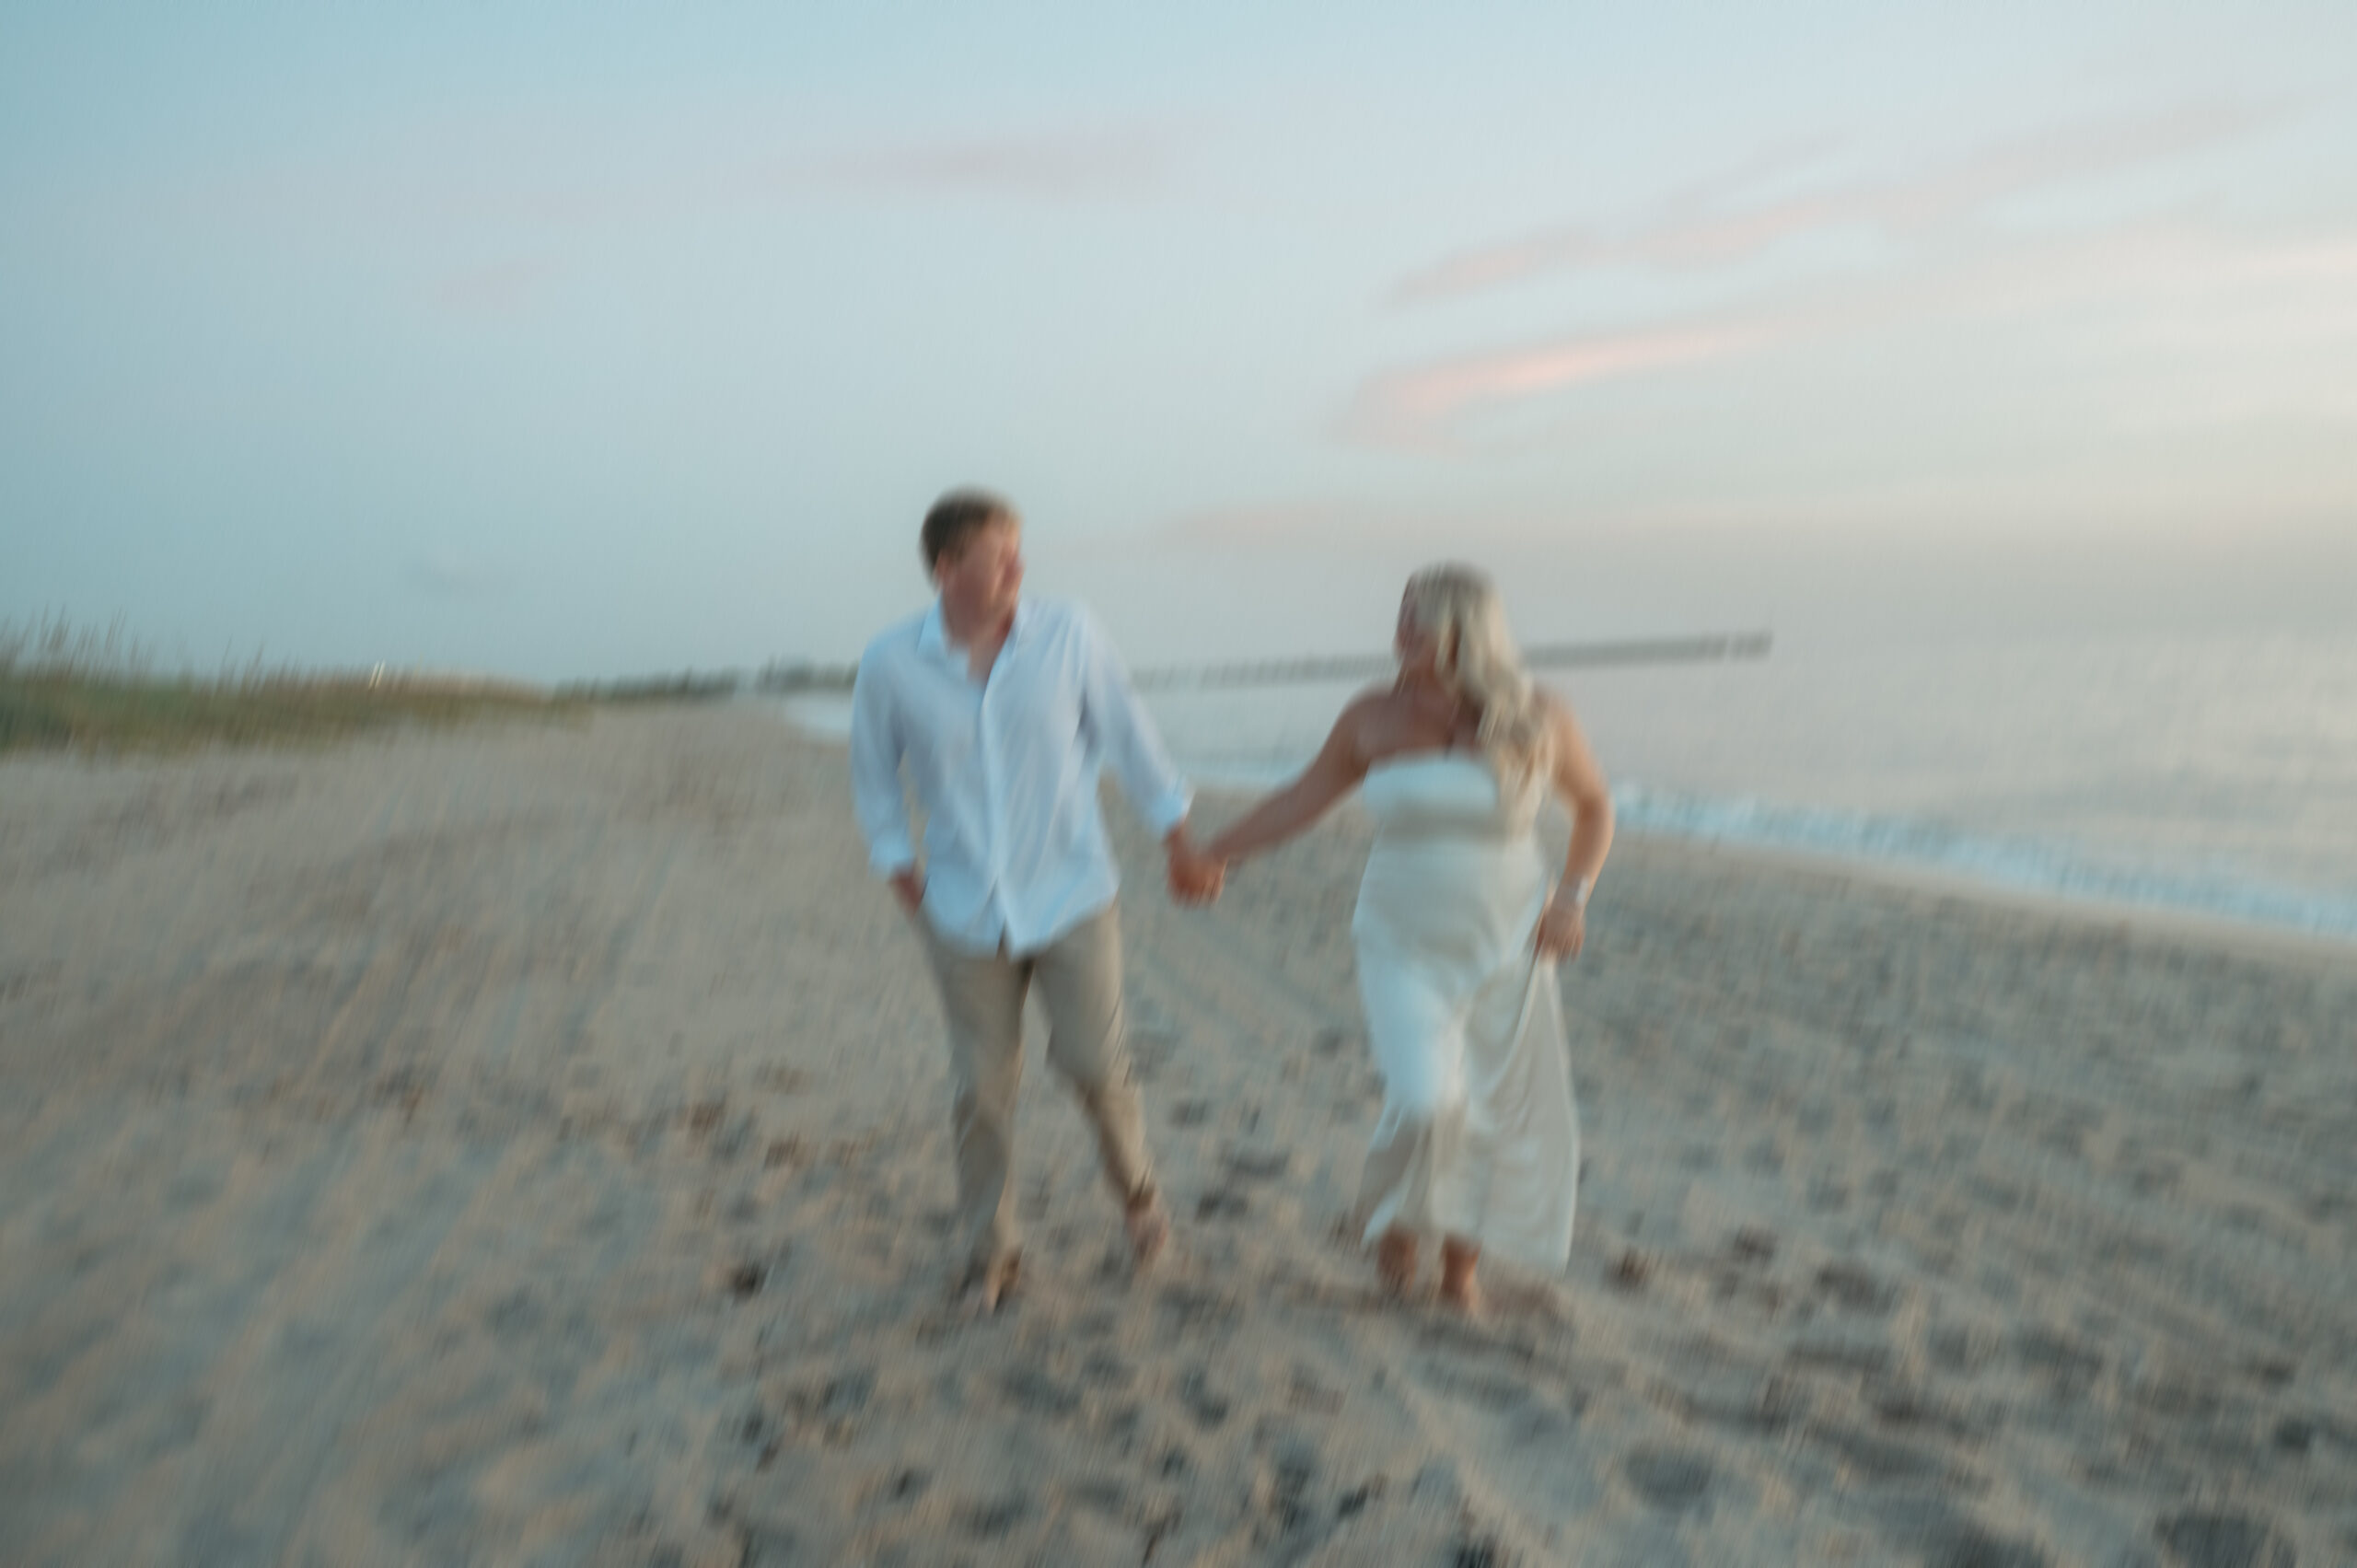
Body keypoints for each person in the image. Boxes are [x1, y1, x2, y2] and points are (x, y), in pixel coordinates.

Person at [1197, 564, 1612, 1314]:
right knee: (1427, 1097)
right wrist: (1213, 851)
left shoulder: (1538, 714)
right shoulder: (1372, 716)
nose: (1400, 631)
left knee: (1492, 1107)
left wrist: (1573, 899)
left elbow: (1594, 806)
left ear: (1464, 629)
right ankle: (1398, 1215)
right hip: (1401, 937)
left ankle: (1458, 1270)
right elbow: (1301, 797)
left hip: (1510, 938)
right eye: (1400, 615)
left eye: (1416, 618)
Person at [850, 488, 1226, 1313]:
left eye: (1020, 549)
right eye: (1000, 553)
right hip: (960, 909)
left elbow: (1130, 737)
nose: (1020, 566)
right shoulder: (891, 663)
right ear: (949, 568)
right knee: (980, 1089)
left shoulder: (1069, 633)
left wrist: (1178, 839)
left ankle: (1139, 1199)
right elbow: (874, 777)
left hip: (1072, 893)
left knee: (1096, 1065)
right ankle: (994, 1252)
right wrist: (898, 868)